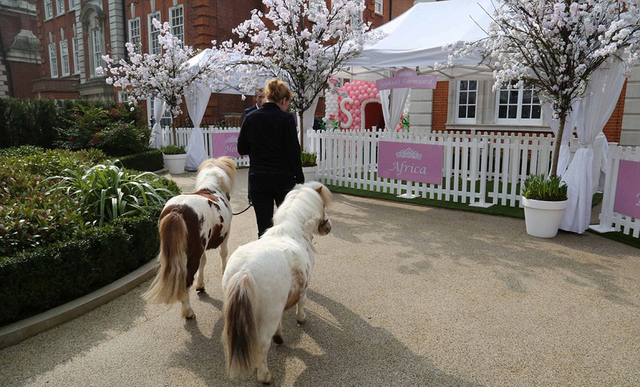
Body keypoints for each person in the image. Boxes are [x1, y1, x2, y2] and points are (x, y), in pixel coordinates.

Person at [238, 80, 304, 238]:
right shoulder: (286, 119)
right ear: (283, 100)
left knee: (264, 228)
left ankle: (265, 260)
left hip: (258, 177)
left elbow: (242, 149)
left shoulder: (250, 117)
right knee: (286, 225)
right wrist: (300, 178)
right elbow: (293, 152)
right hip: (283, 179)